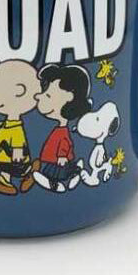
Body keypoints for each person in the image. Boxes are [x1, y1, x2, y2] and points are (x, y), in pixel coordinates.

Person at [0, 60, 41, 195]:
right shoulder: (7, 124)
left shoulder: (15, 127)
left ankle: (26, 174)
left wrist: (17, 151)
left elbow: (18, 138)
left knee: (12, 167)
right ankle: (5, 179)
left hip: (12, 157)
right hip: (2, 155)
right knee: (6, 167)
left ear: (19, 91)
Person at [33, 64, 92, 192]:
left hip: (59, 160)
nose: (38, 96)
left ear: (69, 98)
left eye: (48, 95)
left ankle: (59, 182)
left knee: (57, 172)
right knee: (56, 170)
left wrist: (62, 156)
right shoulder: (59, 129)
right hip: (56, 159)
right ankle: (74, 172)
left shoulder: (62, 131)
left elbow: (65, 143)